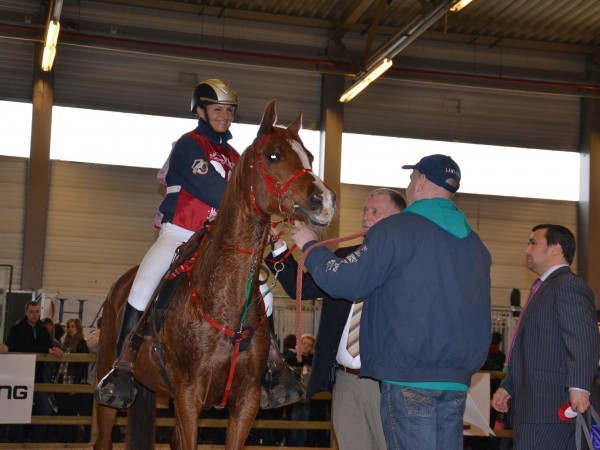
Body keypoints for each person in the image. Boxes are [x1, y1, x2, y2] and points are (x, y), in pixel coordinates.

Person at [289, 154, 492, 450]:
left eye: (411, 178)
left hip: (408, 377)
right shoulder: (475, 244)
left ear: (420, 182)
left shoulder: (396, 230)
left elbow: (346, 281)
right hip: (456, 383)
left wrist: (309, 245)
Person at [96, 78, 243, 408]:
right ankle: (123, 364)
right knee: (144, 281)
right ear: (201, 111)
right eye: (218, 109)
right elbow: (212, 190)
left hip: (221, 242)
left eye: (229, 110)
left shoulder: (236, 155)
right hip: (180, 233)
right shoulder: (188, 146)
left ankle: (271, 367)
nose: (225, 115)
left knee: (261, 289)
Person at [266, 187, 405, 450]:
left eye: (376, 212)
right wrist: (279, 248)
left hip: (386, 383)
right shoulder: (344, 257)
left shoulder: (404, 264)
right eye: (365, 210)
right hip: (345, 381)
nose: (366, 217)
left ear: (398, 219)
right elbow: (304, 289)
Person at [491, 224, 600, 450]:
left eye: (533, 242)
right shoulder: (543, 288)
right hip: (532, 408)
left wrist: (579, 387)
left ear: (555, 249)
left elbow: (583, 339)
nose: (526, 250)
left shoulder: (568, 285)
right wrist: (508, 385)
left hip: (551, 408)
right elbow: (533, 348)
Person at [4, 301, 64, 442]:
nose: (34, 314)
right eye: (31, 311)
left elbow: (47, 347)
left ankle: (36, 443)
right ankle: (15, 444)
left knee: (45, 410)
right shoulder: (17, 329)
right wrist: (48, 350)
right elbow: (20, 346)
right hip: (19, 377)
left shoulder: (43, 331)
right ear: (26, 312)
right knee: (19, 412)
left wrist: (54, 349)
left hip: (37, 377)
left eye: (37, 311)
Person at [54, 317, 90, 443]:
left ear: (78, 328)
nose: (70, 329)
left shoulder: (81, 343)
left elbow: (82, 366)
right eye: (69, 326)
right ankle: (62, 438)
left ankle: (70, 440)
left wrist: (76, 385)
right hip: (61, 379)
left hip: (71, 381)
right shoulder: (63, 342)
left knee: (71, 412)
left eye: (73, 326)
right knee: (62, 410)